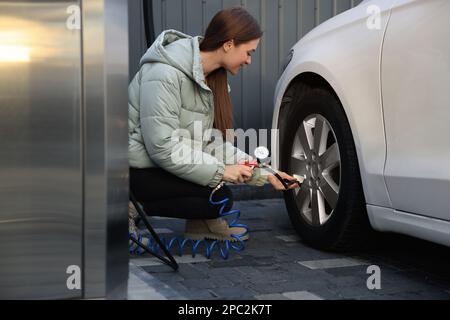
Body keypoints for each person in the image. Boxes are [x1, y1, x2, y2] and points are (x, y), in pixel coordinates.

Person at [128, 7, 297, 245]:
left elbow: (209, 142)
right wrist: (221, 171)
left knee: (218, 196)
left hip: (161, 164)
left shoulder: (211, 79)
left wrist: (265, 172)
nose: (249, 61)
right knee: (216, 194)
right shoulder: (164, 74)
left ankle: (200, 224)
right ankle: (125, 205)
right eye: (248, 52)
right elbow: (162, 147)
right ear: (228, 44)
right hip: (132, 170)